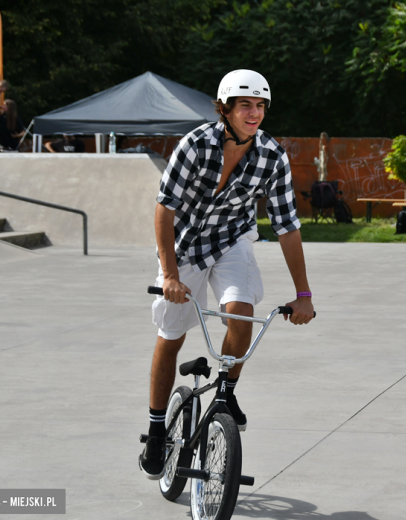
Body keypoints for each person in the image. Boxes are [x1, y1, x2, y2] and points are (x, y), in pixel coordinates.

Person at [139, 69, 315, 479]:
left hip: (232, 239)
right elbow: (164, 210)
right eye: (245, 106)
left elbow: (287, 226)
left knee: (241, 310)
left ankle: (226, 392)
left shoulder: (272, 155)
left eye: (260, 106)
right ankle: (155, 427)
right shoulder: (196, 145)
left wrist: (303, 294)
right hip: (184, 245)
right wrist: (168, 274)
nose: (254, 113)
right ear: (226, 109)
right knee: (172, 334)